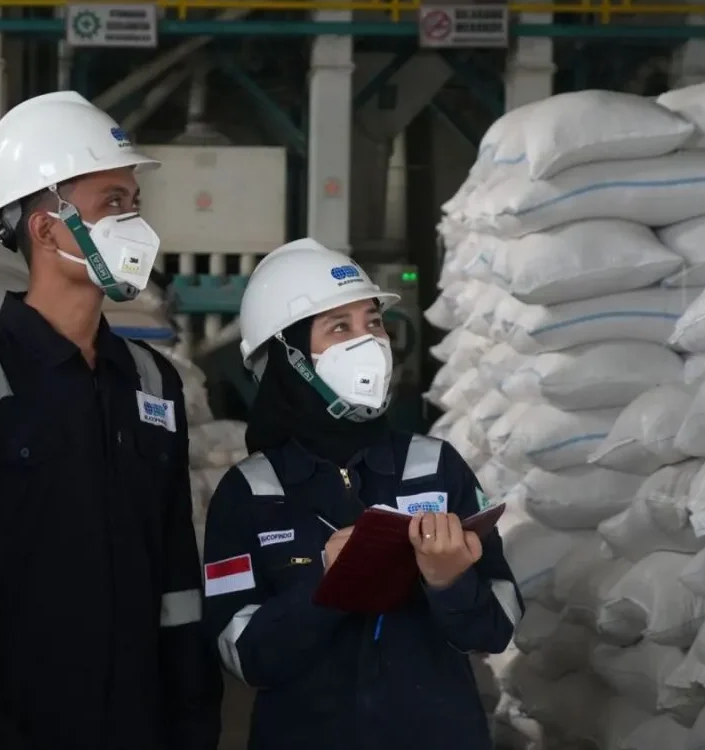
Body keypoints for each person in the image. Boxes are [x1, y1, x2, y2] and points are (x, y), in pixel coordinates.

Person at [0, 91, 222, 750]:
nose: (135, 224)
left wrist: (192, 718)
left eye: (135, 203)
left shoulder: (151, 382)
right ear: (45, 228)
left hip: (139, 725)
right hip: (16, 726)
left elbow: (177, 573)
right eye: (112, 205)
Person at [201, 239, 522, 750]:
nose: (369, 341)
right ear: (289, 357)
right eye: (339, 328)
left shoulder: (435, 467)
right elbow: (244, 658)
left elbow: (497, 628)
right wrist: (326, 584)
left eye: (373, 323)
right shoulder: (250, 493)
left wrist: (449, 584)